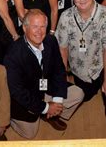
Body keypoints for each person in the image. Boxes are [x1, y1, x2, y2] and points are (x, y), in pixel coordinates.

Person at [5, 10, 84, 138]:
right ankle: (15, 117)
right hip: (28, 95)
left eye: (43, 27)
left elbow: (59, 69)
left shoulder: (50, 41)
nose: (39, 31)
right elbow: (17, 91)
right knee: (30, 134)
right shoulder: (13, 54)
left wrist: (57, 100)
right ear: (25, 28)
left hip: (46, 87)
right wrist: (46, 107)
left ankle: (51, 114)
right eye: (35, 26)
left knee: (78, 94)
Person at [56, 0, 106, 132]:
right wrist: (63, 75)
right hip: (79, 68)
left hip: (101, 65)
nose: (81, 0)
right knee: (85, 96)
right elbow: (62, 49)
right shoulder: (65, 17)